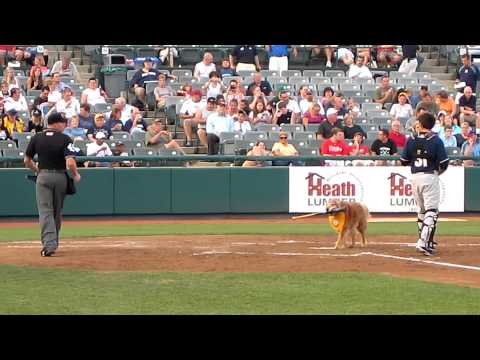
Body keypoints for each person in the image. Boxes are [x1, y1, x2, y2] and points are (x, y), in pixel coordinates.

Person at [24, 112, 82, 257]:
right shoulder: (65, 138)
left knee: (45, 211)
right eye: (63, 122)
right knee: (56, 211)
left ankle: (49, 244)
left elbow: (26, 160)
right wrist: (75, 175)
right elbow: (70, 161)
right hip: (61, 176)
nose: (65, 125)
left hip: (43, 176)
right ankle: (53, 242)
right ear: (56, 123)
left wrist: (37, 170)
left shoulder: (36, 137)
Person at [400, 112, 449, 256]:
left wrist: (416, 156)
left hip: (415, 177)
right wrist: (436, 173)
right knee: (432, 211)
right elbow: (444, 163)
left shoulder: (411, 139)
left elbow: (403, 161)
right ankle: (423, 241)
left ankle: (426, 240)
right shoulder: (436, 140)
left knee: (422, 211)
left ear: (420, 124)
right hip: (430, 175)